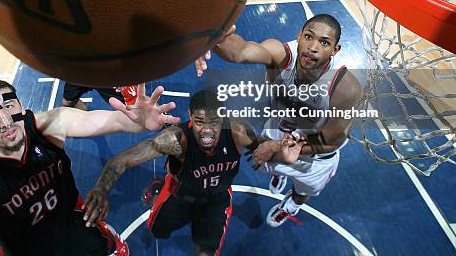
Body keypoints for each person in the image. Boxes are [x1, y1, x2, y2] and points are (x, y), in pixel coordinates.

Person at [0, 78, 180, 256]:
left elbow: (110, 121)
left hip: (72, 224)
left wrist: (139, 122)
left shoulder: (47, 126)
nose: (4, 122)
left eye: (8, 106)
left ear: (20, 105)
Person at [84, 91, 304, 255]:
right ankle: (160, 185)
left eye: (214, 123)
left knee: (206, 252)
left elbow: (264, 147)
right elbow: (121, 160)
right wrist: (101, 188)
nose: (207, 131)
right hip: (179, 195)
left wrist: (282, 153)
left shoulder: (238, 132)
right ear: (190, 116)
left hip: (215, 200)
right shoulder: (175, 140)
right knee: (157, 230)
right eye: (199, 122)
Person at [195, 14, 362, 227]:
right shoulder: (282, 54)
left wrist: (277, 148)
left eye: (324, 42)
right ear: (299, 35)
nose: (313, 47)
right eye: (309, 37)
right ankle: (279, 174)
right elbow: (241, 51)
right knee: (270, 164)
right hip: (278, 132)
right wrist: (213, 37)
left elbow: (331, 140)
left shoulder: (346, 88)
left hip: (315, 157)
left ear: (335, 50)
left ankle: (292, 204)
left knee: (302, 192)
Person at [61, 82, 129, 111]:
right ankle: (86, 118)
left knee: (129, 108)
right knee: (67, 102)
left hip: (109, 77)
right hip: (81, 71)